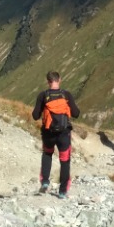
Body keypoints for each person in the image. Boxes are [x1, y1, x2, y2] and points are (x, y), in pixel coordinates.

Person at [32, 71, 80, 199]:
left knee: (47, 154)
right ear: (60, 80)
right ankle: (63, 191)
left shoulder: (43, 95)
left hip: (48, 133)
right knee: (65, 160)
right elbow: (76, 113)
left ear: (48, 81)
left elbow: (35, 115)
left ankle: (45, 182)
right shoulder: (66, 95)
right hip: (64, 134)